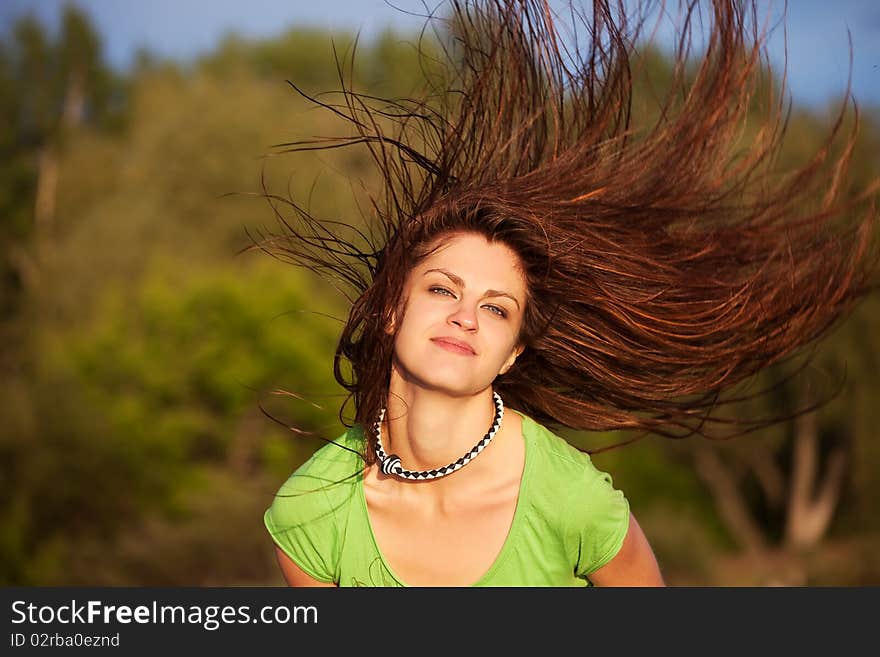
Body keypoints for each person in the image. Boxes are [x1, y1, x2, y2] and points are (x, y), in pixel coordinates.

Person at [259, 0, 876, 587]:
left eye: (496, 308)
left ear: (512, 354)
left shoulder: (571, 499)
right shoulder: (312, 511)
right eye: (443, 289)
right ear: (392, 309)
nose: (466, 316)